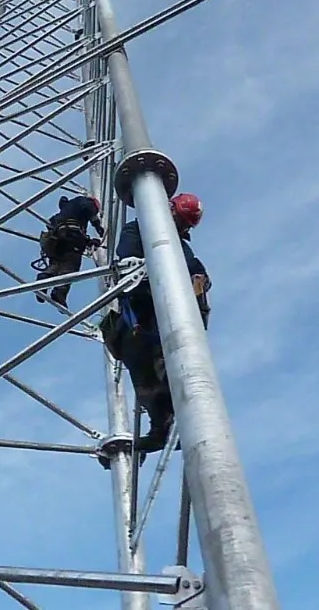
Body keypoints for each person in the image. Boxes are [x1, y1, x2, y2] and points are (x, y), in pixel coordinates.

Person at [102, 192, 210, 453]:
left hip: (169, 315)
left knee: (171, 367)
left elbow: (198, 275)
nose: (178, 226)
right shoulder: (138, 229)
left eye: (182, 223)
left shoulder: (182, 248)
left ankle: (182, 420)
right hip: (141, 313)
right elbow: (127, 258)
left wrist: (198, 282)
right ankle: (161, 426)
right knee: (143, 371)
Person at [33, 194, 105, 308]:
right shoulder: (84, 202)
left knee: (57, 262)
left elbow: (56, 223)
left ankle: (44, 279)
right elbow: (87, 212)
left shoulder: (67, 209)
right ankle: (60, 292)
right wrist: (97, 226)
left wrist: (88, 241)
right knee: (71, 264)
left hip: (56, 238)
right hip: (70, 236)